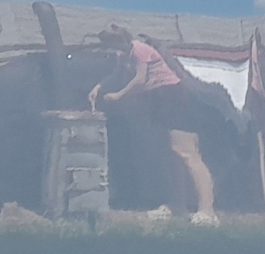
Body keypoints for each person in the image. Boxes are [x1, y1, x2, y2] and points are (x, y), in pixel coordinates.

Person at [92, 28, 218, 225]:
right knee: (169, 153)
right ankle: (177, 205)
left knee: (186, 152)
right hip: (157, 99)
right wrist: (99, 87)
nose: (112, 51)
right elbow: (116, 76)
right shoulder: (123, 56)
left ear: (122, 41)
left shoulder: (139, 49)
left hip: (173, 96)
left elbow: (139, 79)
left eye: (113, 45)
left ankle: (207, 211)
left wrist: (118, 95)